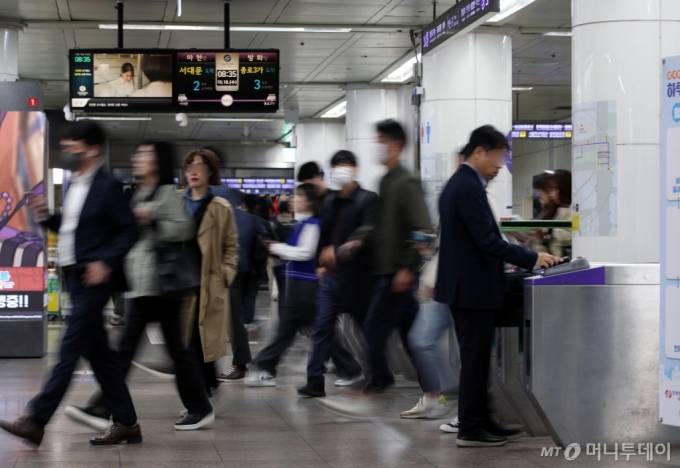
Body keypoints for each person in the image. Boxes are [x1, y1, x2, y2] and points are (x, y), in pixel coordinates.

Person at [0, 121, 141, 446]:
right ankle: (128, 423)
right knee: (101, 357)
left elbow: (129, 230)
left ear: (91, 148)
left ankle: (35, 420)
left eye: (72, 145)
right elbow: (75, 229)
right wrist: (49, 217)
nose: (66, 151)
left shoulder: (107, 185)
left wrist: (105, 262)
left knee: (68, 349)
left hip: (94, 279)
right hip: (74, 278)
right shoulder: (76, 183)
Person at [64, 140, 214, 432]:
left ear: (158, 161)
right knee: (173, 351)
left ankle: (102, 407)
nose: (137, 158)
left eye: (144, 154)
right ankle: (199, 407)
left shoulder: (166, 193)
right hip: (143, 282)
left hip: (160, 285)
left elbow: (185, 228)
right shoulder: (138, 192)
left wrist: (152, 216)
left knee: (127, 349)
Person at [436, 125, 560, 448]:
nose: (500, 165)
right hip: (471, 289)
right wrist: (532, 257)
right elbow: (487, 240)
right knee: (474, 360)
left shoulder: (460, 184)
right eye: (499, 157)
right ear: (480, 152)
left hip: (466, 287)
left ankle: (483, 420)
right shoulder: (467, 187)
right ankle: (471, 429)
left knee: (477, 360)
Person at [297, 150, 378, 397]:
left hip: (358, 278)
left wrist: (341, 252)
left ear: (354, 170)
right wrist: (320, 263)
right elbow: (324, 233)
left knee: (369, 330)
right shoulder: (330, 201)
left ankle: (378, 374)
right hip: (332, 278)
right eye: (336, 166)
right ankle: (314, 380)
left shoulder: (367, 199)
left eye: (345, 166)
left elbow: (369, 233)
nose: (340, 170)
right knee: (322, 327)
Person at [360, 119, 432, 394]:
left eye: (382, 142)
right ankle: (434, 390)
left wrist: (408, 267)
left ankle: (380, 377)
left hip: (397, 274)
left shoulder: (406, 182)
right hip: (386, 271)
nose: (378, 147)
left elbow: (423, 230)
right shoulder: (386, 181)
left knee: (373, 329)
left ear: (397, 145)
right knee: (412, 337)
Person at [245, 184, 323, 386]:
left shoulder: (313, 224)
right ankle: (350, 369)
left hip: (305, 287)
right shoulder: (303, 224)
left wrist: (277, 247)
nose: (294, 199)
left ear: (310, 201)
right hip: (296, 284)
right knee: (303, 330)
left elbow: (305, 253)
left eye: (300, 196)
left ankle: (262, 365)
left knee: (293, 330)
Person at [181, 149, 239, 395]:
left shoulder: (220, 206)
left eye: (202, 167)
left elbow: (231, 246)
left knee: (202, 338)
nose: (195, 171)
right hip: (181, 282)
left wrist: (225, 274)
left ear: (211, 172)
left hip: (209, 281)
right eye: (190, 167)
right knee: (186, 341)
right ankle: (202, 390)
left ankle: (202, 392)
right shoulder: (176, 202)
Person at [546, 169, 572, 257]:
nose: (551, 194)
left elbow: (572, 236)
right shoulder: (557, 209)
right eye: (550, 190)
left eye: (555, 189)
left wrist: (550, 230)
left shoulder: (573, 210)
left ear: (564, 188)